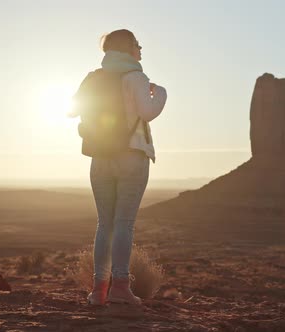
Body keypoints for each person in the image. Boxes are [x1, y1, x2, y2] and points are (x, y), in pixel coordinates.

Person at [74, 29, 167, 306]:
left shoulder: (93, 78)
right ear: (128, 48)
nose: (141, 50)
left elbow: (71, 109)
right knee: (124, 224)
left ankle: (98, 290)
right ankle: (120, 287)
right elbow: (149, 112)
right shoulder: (136, 77)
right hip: (131, 156)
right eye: (138, 45)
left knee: (105, 224)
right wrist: (160, 93)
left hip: (99, 156)